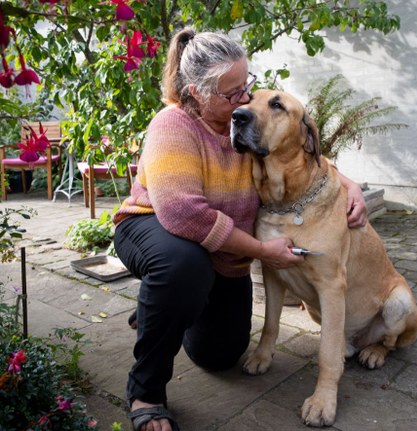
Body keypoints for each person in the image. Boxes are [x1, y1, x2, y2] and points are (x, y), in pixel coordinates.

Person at [112, 28, 368, 431]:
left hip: (221, 254)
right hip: (154, 226)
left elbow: (302, 153)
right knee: (183, 267)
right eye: (232, 94)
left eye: (244, 87)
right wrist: (264, 252)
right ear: (197, 92)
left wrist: (349, 185)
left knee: (221, 355)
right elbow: (184, 215)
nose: (244, 102)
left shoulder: (247, 128)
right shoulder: (173, 126)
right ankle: (146, 390)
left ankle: (169, 307)